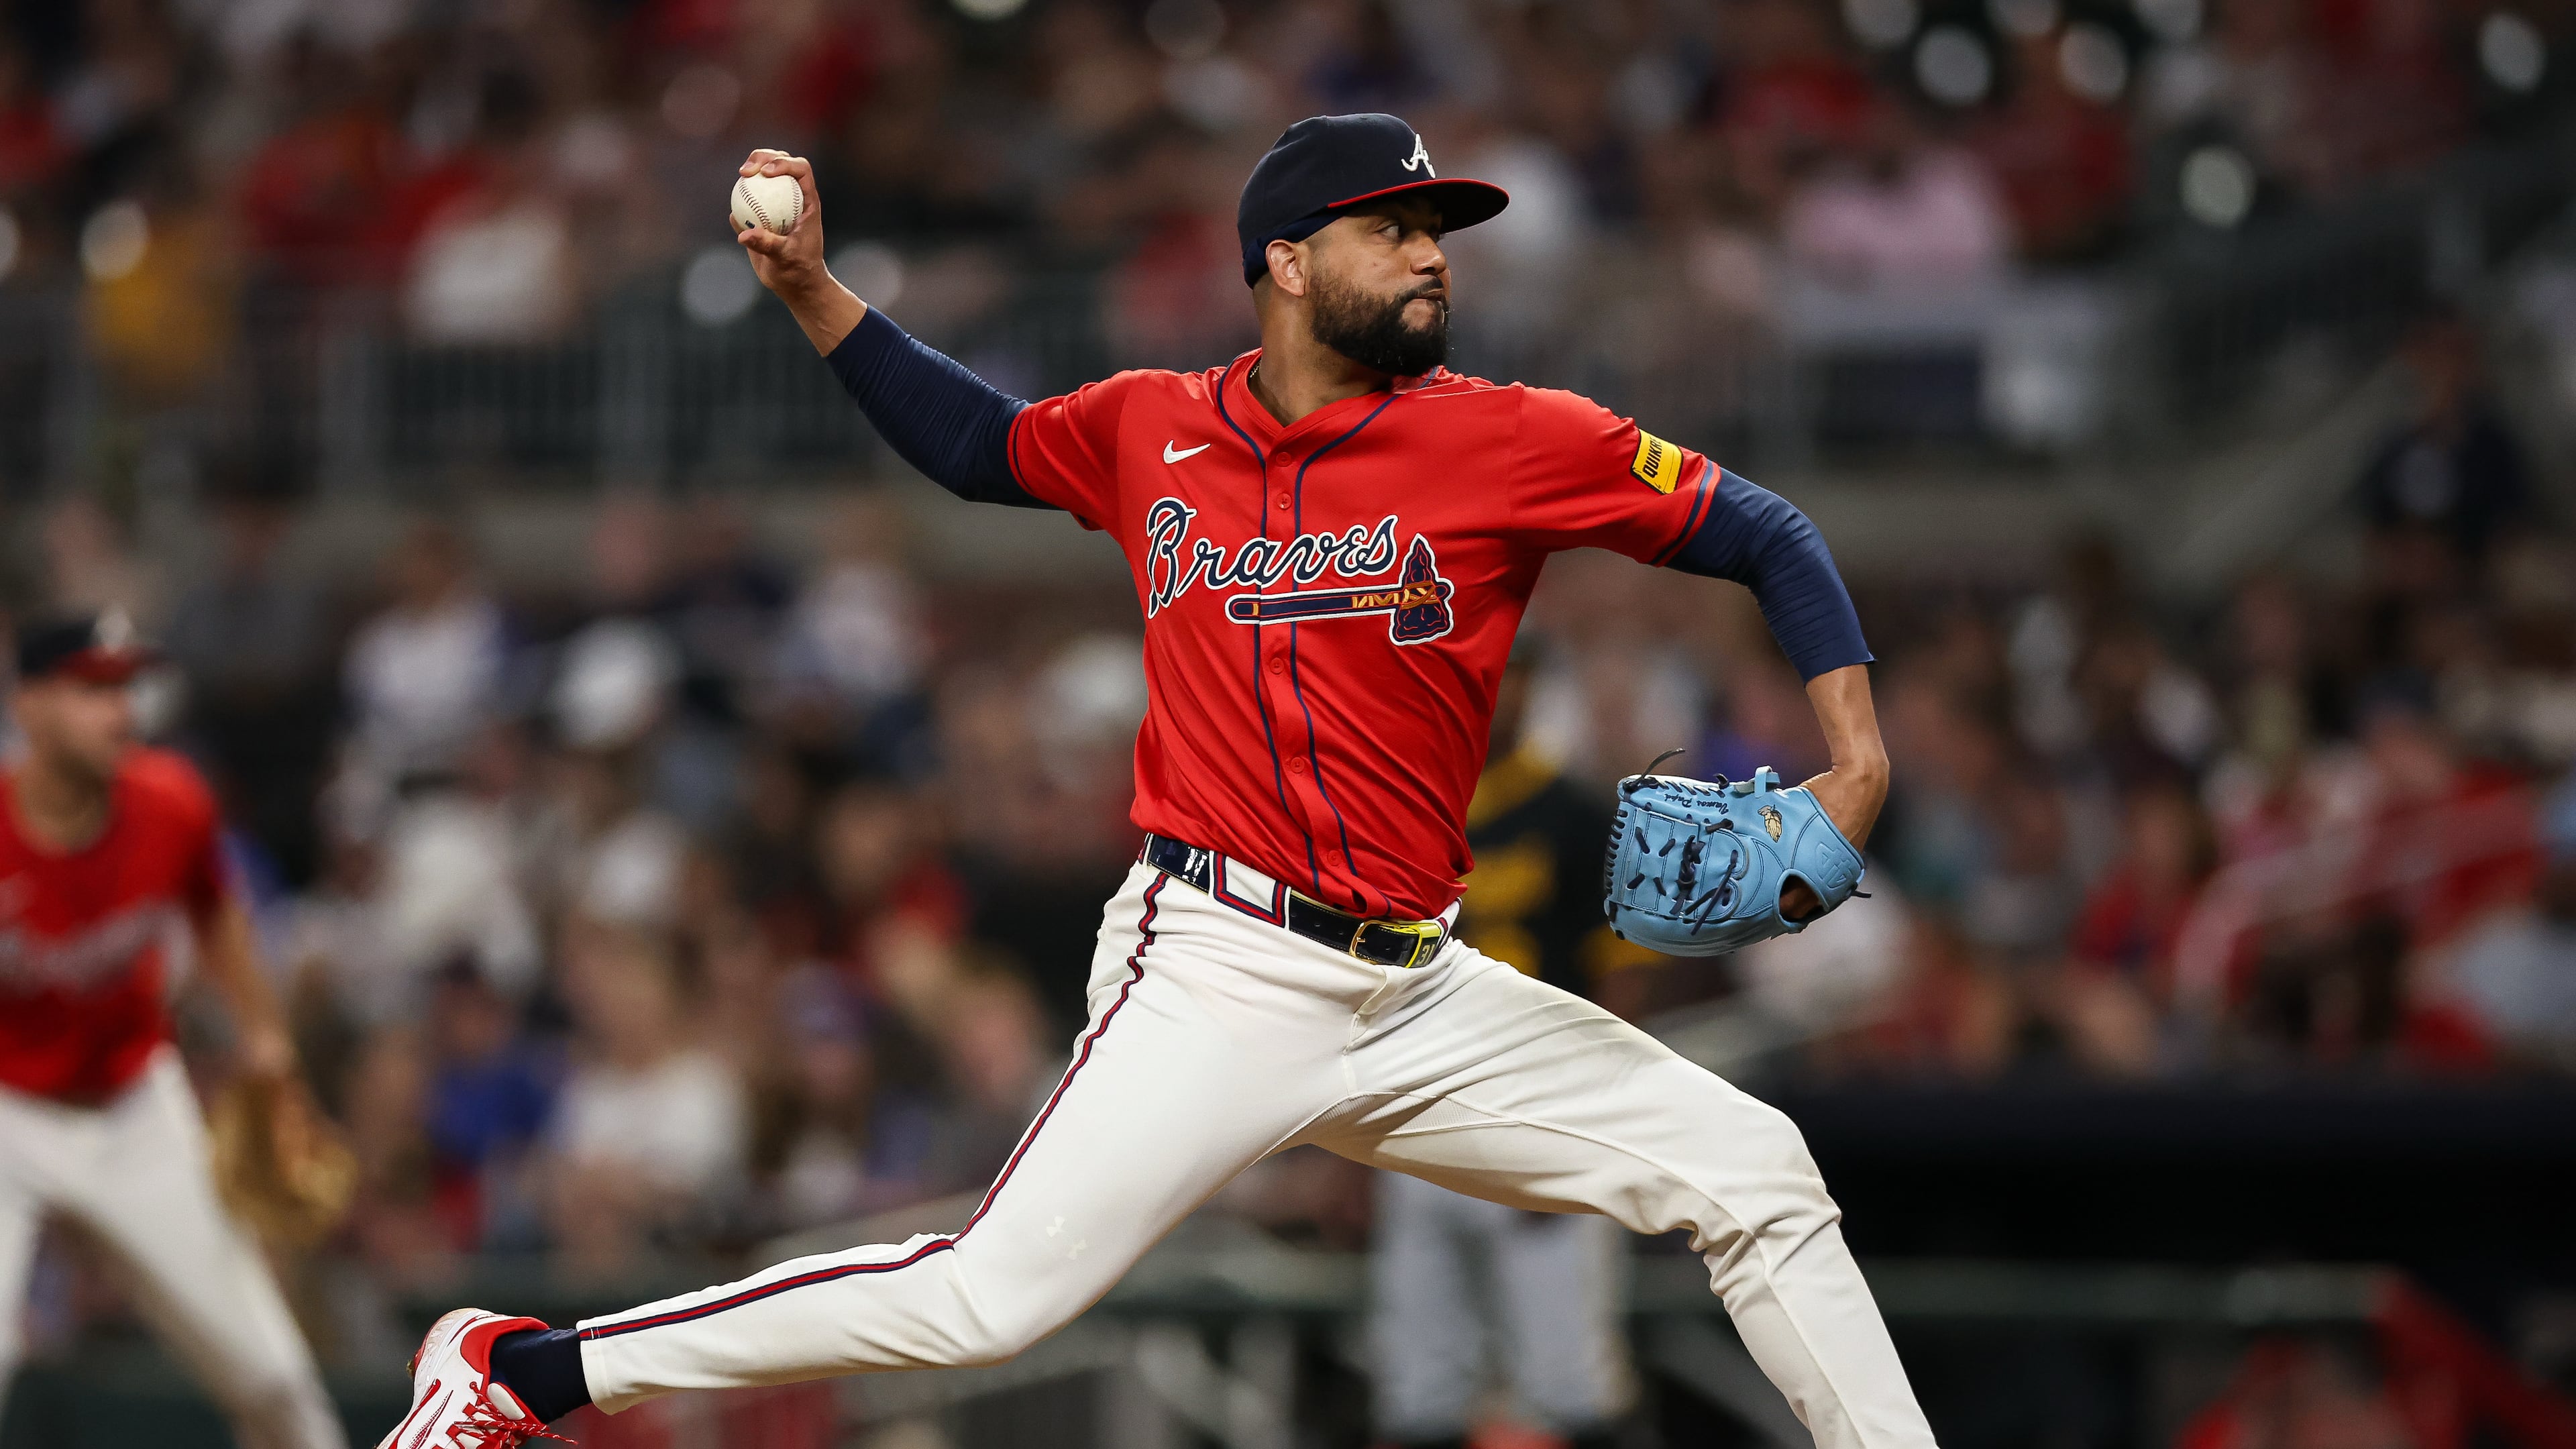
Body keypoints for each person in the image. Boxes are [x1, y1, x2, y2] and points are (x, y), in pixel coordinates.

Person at [388, 113, 1933, 1449]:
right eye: (1390, 229)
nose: (1429, 257)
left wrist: (1853, 753)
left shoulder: (1510, 440)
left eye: (1434, 232)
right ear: (1281, 260)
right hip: (1218, 963)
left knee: (1755, 1169)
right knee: (985, 1299)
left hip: (1421, 989)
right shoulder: (1153, 426)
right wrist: (809, 292)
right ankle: (520, 1367)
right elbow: (977, 443)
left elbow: (1765, 533)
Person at [0, 611, 347, 1449]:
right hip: (7, 1113)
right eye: (93, 690)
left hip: (132, 1107)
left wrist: (265, 1037)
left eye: (127, 688)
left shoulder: (172, 801)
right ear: (30, 707)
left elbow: (217, 910)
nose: (121, 711)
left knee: (275, 1381)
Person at [1370, 639, 1637, 1449]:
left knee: (1570, 1381)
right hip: (1416, 1113)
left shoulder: (1581, 815)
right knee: (1419, 1384)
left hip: (1537, 1115)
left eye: (1504, 680)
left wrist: (1585, 1123)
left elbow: (1624, 986)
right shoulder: (1399, 810)